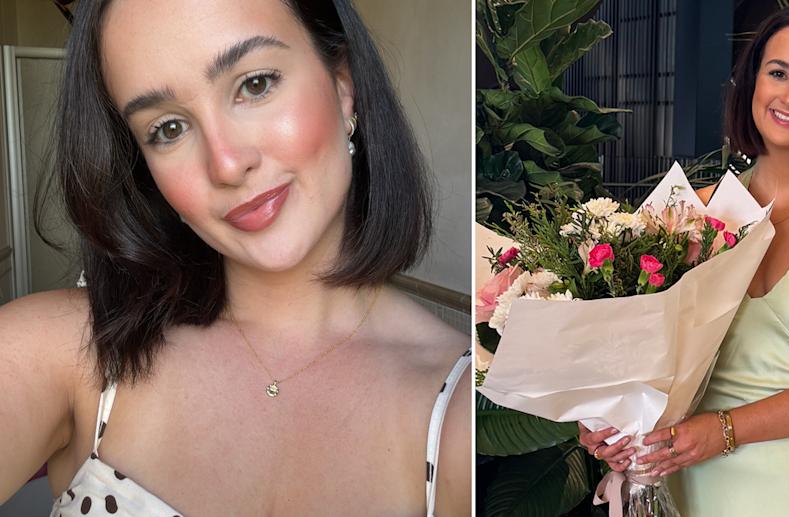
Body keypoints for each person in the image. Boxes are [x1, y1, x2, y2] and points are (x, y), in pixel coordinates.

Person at [0, 0, 471, 515]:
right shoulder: (73, 352)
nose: (226, 163)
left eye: (255, 84)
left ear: (342, 86)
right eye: (169, 129)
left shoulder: (463, 417)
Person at [579, 4, 789, 515]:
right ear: (751, 80)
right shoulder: (687, 211)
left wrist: (725, 431)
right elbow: (631, 349)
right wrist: (604, 422)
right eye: (777, 72)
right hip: (691, 476)